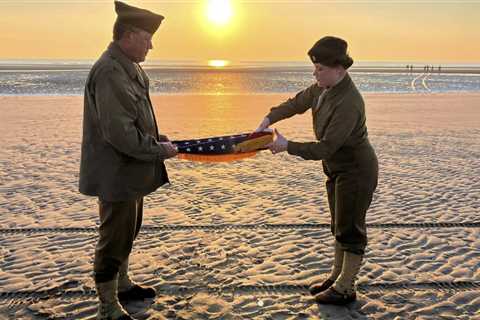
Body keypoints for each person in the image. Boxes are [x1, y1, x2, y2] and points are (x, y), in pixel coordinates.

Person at [255, 36, 378, 305]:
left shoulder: (349, 102)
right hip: (336, 169)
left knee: (350, 228)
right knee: (338, 224)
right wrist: (268, 119)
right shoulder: (323, 87)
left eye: (320, 68)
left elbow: (326, 148)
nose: (315, 72)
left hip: (356, 170)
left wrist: (287, 146)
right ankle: (336, 276)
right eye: (315, 67)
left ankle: (346, 288)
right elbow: (297, 102)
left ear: (340, 69)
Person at [79, 1, 177, 319]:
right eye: (147, 37)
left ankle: (122, 284)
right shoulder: (109, 71)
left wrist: (157, 139)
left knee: (129, 231)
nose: (152, 44)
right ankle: (107, 306)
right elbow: (119, 134)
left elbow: (135, 120)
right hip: (116, 172)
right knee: (114, 236)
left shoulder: (129, 66)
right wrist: (159, 150)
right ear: (129, 35)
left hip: (132, 169)